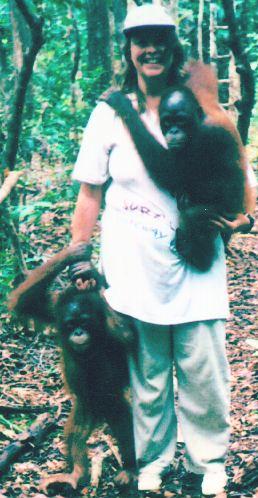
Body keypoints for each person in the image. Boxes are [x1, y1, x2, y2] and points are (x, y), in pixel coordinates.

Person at [69, 4, 256, 497]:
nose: (149, 48)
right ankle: (154, 458)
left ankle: (208, 460)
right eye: (140, 40)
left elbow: (238, 166)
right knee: (148, 372)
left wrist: (243, 217)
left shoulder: (197, 101)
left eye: (159, 38)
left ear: (172, 46)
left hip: (197, 262)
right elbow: (89, 191)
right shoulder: (109, 111)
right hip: (134, 265)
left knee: (202, 369)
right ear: (128, 49)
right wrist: (80, 254)